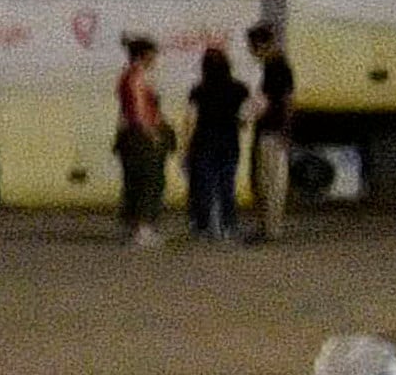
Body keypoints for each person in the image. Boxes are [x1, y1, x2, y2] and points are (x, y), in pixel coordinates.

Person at [181, 43, 250, 243]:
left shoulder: (198, 90)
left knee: (203, 186)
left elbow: (190, 119)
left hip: (203, 141)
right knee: (227, 185)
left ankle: (203, 226)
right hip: (229, 141)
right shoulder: (240, 89)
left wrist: (185, 147)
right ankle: (228, 225)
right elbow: (245, 118)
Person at [111, 38, 171, 244]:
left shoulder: (128, 76)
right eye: (153, 54)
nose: (155, 59)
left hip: (131, 134)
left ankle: (133, 225)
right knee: (149, 180)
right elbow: (138, 111)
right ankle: (143, 228)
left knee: (134, 180)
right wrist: (152, 133)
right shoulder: (136, 77)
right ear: (144, 55)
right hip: (141, 136)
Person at [249, 21, 301, 241]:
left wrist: (284, 130)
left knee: (271, 181)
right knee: (268, 179)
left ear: (261, 45)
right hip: (271, 129)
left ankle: (271, 229)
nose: (252, 53)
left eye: (252, 47)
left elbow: (286, 101)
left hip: (272, 130)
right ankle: (269, 226)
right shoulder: (276, 65)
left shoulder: (276, 67)